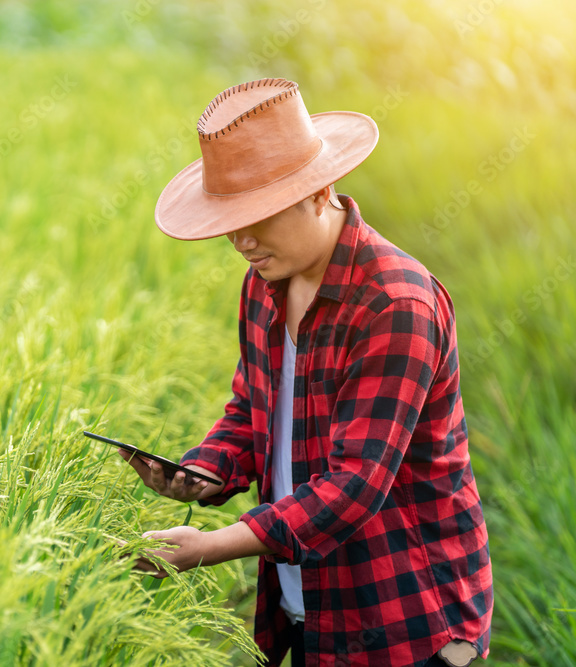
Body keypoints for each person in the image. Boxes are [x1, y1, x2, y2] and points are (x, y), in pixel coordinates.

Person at [120, 78, 493, 667]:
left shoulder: (395, 305)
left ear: (320, 192)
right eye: (230, 222)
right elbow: (252, 410)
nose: (241, 240)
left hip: (406, 618)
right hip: (307, 603)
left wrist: (211, 547)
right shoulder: (265, 283)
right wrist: (204, 471)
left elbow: (355, 485)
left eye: (259, 217)